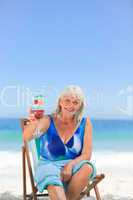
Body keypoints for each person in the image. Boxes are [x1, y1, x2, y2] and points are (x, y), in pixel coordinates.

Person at [23, 85, 96, 200]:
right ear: (60, 102)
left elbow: (87, 155)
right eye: (67, 100)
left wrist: (69, 165)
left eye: (75, 102)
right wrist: (33, 123)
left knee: (87, 167)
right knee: (51, 177)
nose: (71, 105)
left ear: (80, 105)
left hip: (74, 164)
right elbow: (27, 137)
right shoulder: (48, 120)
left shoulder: (85, 123)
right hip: (49, 164)